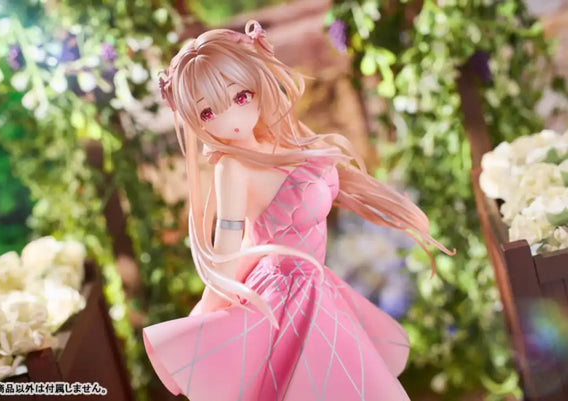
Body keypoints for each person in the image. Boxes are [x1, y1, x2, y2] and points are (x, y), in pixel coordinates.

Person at [143, 20, 454, 401]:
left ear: (256, 82)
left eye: (240, 96)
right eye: (208, 113)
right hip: (288, 297)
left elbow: (260, 233)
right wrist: (202, 317)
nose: (232, 119)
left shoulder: (278, 140)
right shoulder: (232, 168)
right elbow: (229, 250)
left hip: (315, 287)